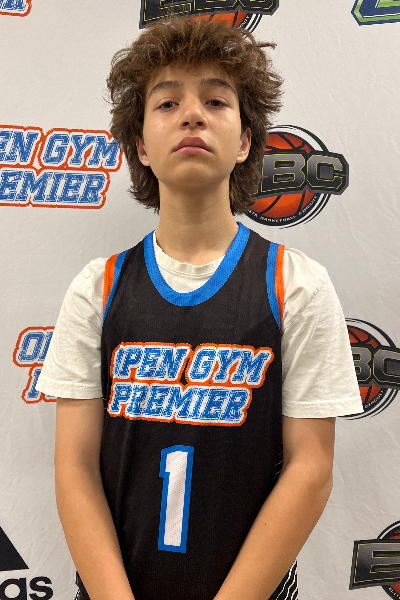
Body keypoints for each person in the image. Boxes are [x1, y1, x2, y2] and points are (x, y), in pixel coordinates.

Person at [37, 15, 363, 600]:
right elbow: (75, 468)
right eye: (167, 103)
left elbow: (311, 470)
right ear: (140, 144)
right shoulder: (98, 288)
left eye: (215, 100)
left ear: (245, 142)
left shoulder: (296, 285)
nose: (192, 114)